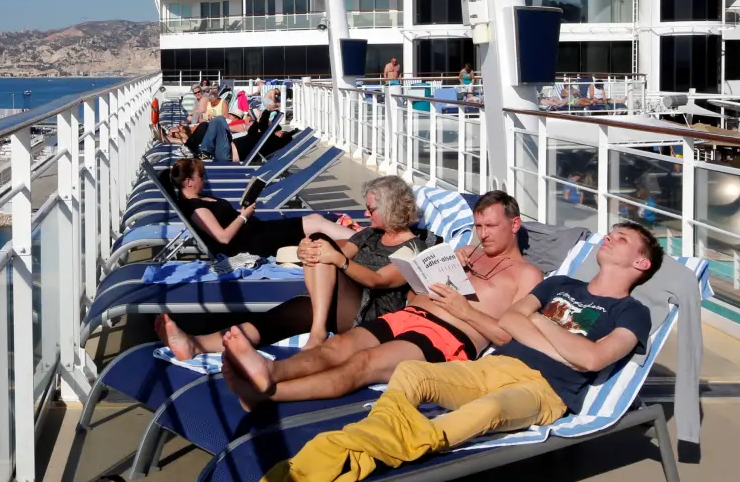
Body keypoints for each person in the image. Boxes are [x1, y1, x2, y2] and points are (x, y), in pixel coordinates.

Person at [261, 223, 663, 481]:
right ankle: (359, 449)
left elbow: (593, 360)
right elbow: (511, 320)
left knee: (488, 410)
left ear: (641, 262)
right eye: (611, 232)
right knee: (411, 373)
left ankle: (342, 453)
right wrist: (555, 336)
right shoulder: (560, 284)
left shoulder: (633, 312)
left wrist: (539, 324)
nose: (609, 236)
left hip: (543, 391)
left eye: (621, 238)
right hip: (494, 367)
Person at [221, 191, 543, 411]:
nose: (483, 234)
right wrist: (430, 277)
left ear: (514, 224)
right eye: (478, 226)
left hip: (448, 336)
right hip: (409, 314)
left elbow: (510, 336)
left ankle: (268, 394)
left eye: (491, 226)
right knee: (335, 347)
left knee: (363, 364)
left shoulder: (527, 276)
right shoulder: (467, 253)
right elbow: (416, 294)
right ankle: (271, 370)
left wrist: (464, 311)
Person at [158, 176, 439, 357]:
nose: (366, 214)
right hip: (340, 303)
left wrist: (337, 259)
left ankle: (317, 332)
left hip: (372, 315)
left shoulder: (417, 245)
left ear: (391, 209)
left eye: (371, 210)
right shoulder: (370, 234)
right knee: (275, 319)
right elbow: (343, 249)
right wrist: (308, 249)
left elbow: (380, 280)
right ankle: (196, 345)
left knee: (324, 250)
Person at [167, 158, 357, 257]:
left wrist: (244, 212)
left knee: (315, 219)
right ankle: (364, 240)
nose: (204, 178)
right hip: (253, 243)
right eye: (201, 176)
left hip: (257, 231)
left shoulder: (201, 198)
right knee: (316, 224)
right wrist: (243, 216)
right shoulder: (195, 208)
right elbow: (223, 238)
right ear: (189, 181)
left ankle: (358, 239)